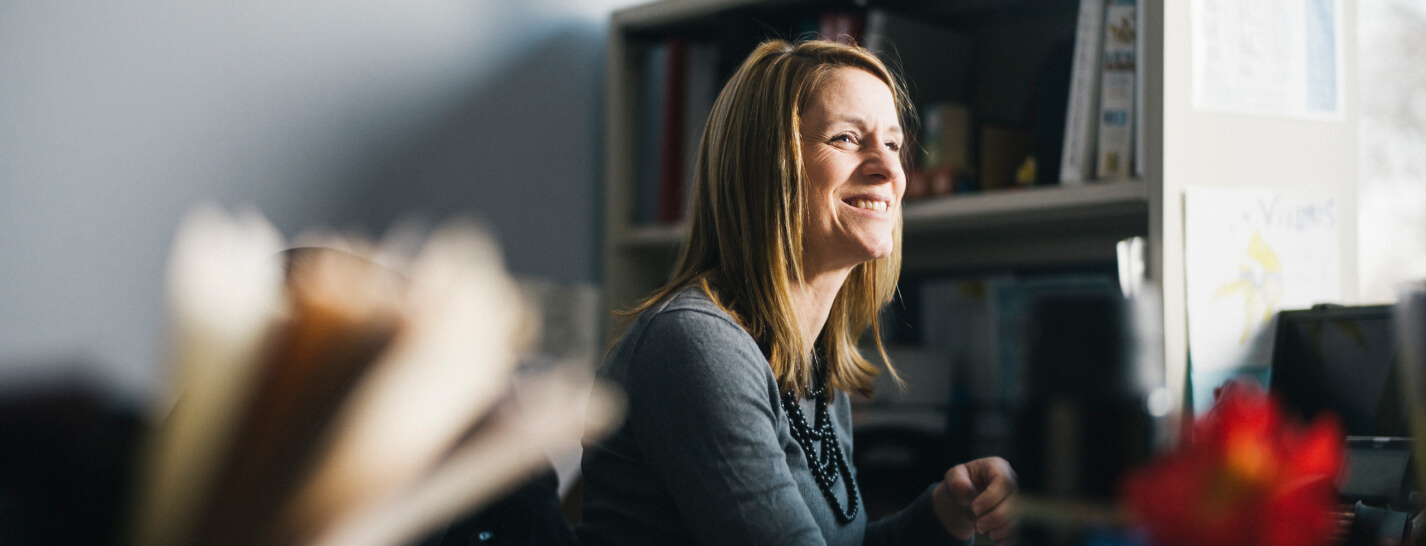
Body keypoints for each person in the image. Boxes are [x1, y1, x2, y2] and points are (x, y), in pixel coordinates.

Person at [577, 39, 1017, 545]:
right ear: (766, 167)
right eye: (847, 138)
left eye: (893, 144)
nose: (889, 170)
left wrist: (943, 515)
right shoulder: (695, 344)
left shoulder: (812, 367)